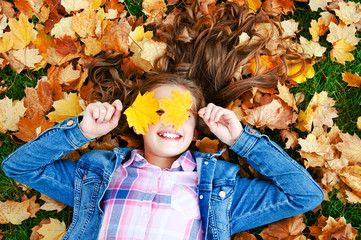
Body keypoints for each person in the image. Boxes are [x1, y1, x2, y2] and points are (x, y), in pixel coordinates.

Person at [2, 72, 322, 239]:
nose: (169, 120)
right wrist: (82, 132)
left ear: (196, 130)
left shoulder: (219, 189)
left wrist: (242, 140)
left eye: (182, 114)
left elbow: (304, 195)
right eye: (158, 110)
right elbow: (19, 167)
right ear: (139, 121)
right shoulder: (99, 174)